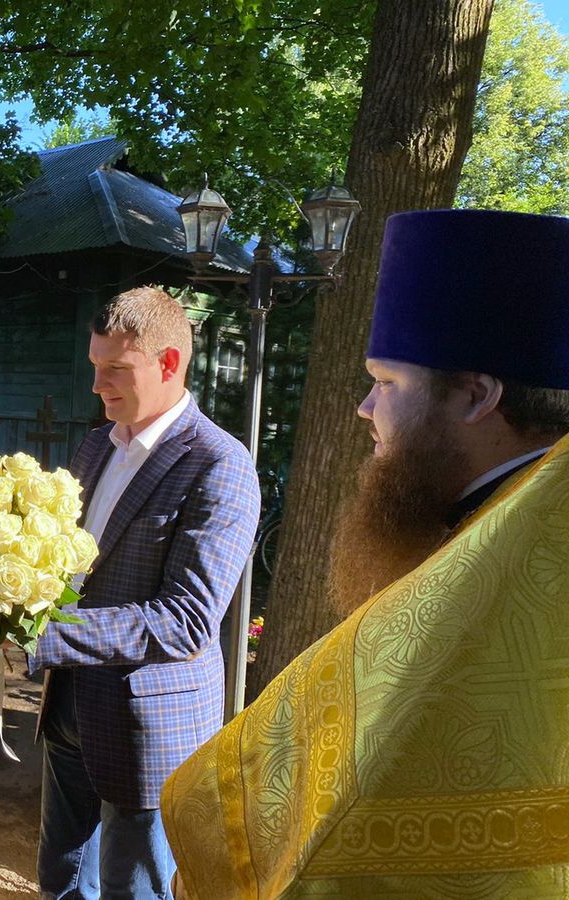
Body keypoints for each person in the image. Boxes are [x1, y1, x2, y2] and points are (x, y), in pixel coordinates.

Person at [160, 209, 569, 898]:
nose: (363, 406)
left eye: (387, 382)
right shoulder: (502, 523)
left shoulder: (526, 553)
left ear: (476, 395)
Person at [28, 286, 260, 898]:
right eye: (94, 365)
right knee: (60, 883)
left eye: (115, 369)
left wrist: (41, 636)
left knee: (132, 891)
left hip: (146, 727)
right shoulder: (96, 444)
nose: (97, 384)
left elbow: (187, 620)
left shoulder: (220, 463)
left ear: (169, 363)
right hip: (69, 705)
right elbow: (63, 567)